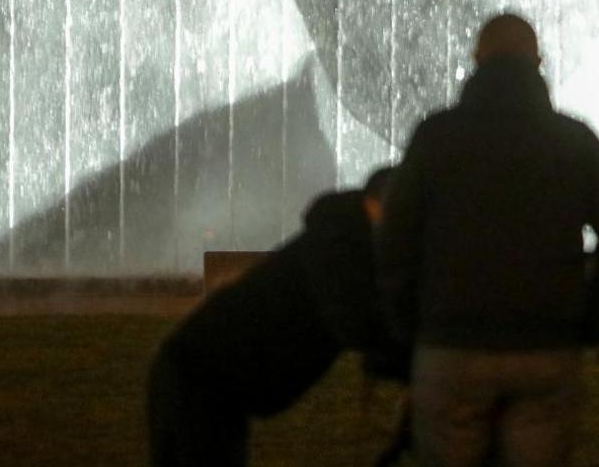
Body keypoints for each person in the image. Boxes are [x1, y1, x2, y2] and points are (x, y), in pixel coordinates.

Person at [376, 13, 599, 467]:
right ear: (539, 62)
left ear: (476, 60)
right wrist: (592, 323)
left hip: (452, 345)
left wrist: (412, 328)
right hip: (548, 347)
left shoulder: (435, 137)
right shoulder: (573, 141)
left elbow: (394, 242)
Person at [146, 167, 407, 467]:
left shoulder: (338, 237)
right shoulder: (337, 245)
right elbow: (354, 323)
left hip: (210, 387)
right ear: (378, 205)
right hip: (196, 383)